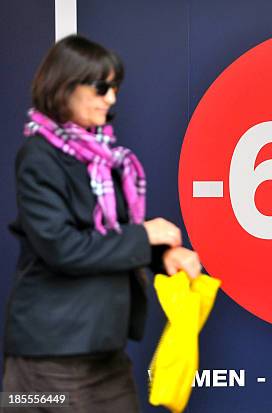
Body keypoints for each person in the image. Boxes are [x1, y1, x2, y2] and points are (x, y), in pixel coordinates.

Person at [1, 35, 201, 412]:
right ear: (64, 86)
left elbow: (113, 234)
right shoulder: (38, 157)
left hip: (105, 350)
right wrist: (145, 236)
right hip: (48, 359)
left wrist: (162, 257)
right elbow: (63, 247)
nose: (111, 98)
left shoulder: (106, 159)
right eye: (101, 86)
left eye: (114, 88)